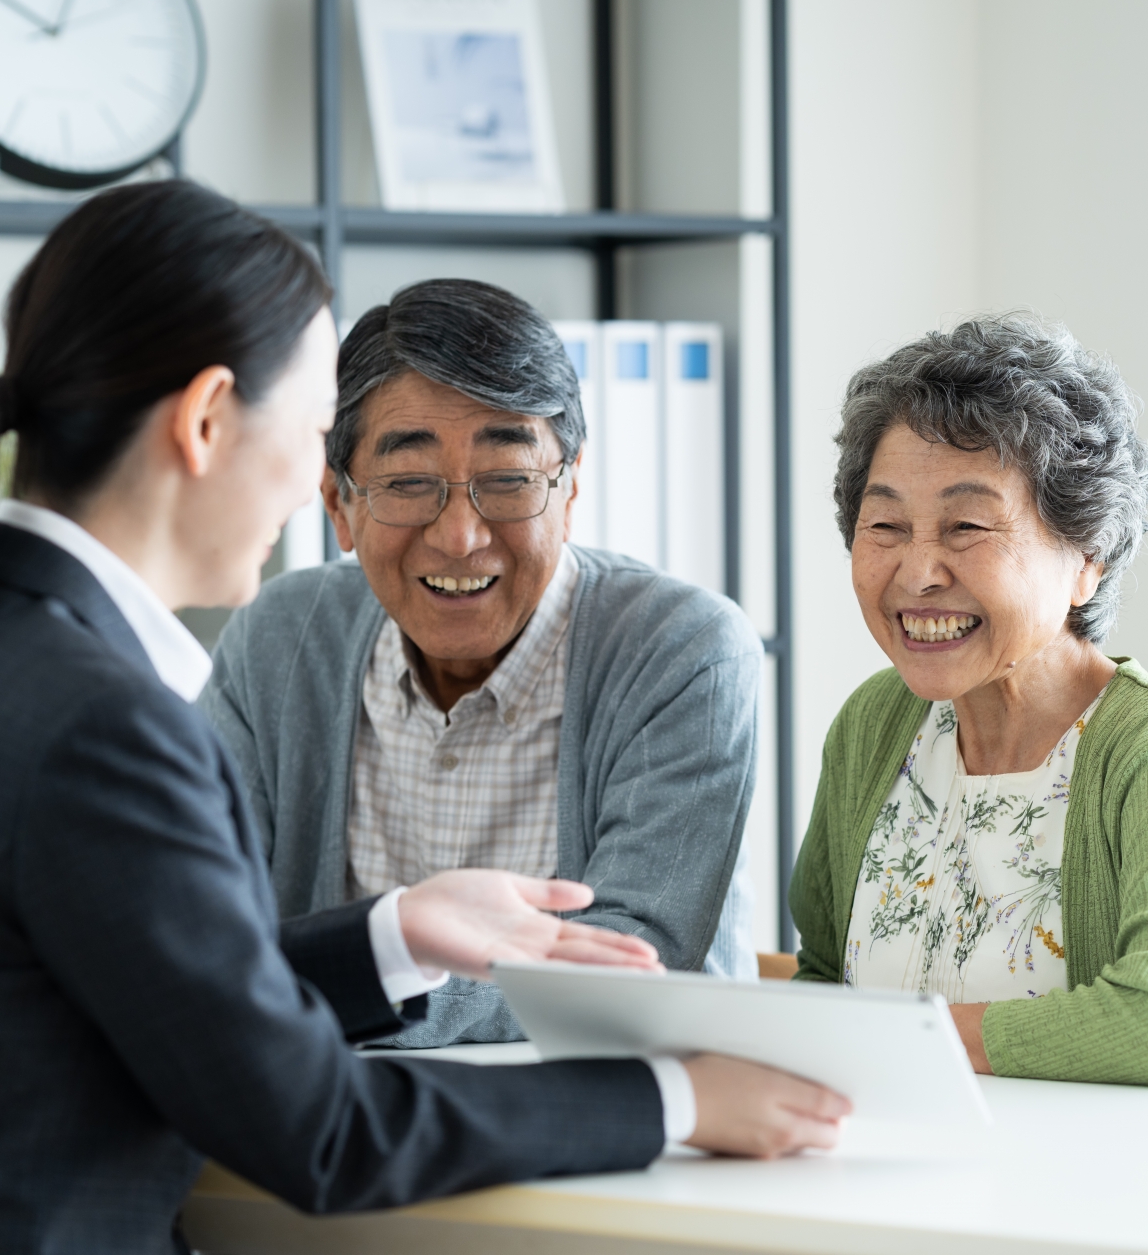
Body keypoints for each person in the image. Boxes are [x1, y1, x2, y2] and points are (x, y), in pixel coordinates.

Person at [0, 181, 847, 1255]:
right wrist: (674, 1099)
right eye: (313, 434)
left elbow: (177, 983)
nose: (312, 489)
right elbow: (323, 1126)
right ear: (207, 421)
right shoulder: (101, 726)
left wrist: (397, 932)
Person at [202, 277, 760, 1048]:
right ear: (338, 505)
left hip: (606, 1107)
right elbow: (198, 931)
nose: (461, 536)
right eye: (408, 484)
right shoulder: (278, 641)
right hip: (336, 1109)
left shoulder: (682, 652)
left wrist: (351, 980)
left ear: (570, 489)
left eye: (509, 481)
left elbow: (628, 971)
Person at [789, 314, 1148, 1092]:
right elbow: (824, 977)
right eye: (886, 525)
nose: (918, 571)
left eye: (966, 525)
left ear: (1087, 559)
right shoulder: (874, 725)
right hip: (948, 1158)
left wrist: (912, 1037)